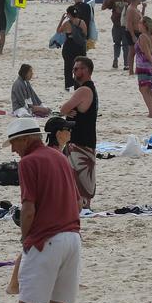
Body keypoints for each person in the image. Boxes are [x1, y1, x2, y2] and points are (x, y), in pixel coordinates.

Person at [6, 116, 82, 303]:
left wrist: (25, 240)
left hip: (46, 240)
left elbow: (28, 208)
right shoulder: (58, 156)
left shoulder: (29, 162)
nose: (14, 150)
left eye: (15, 143)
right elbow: (78, 199)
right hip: (72, 237)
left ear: (26, 139)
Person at [59, 57, 98, 209]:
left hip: (80, 141)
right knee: (82, 177)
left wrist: (68, 110)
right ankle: (83, 205)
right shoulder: (91, 89)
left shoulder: (84, 90)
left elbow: (63, 109)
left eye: (76, 69)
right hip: (86, 139)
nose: (73, 72)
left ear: (86, 70)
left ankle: (81, 206)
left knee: (78, 176)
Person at [57, 6, 88, 92]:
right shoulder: (82, 22)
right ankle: (78, 84)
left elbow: (58, 31)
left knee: (68, 66)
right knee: (79, 66)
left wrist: (61, 20)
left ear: (69, 14)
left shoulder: (67, 23)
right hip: (80, 46)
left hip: (69, 46)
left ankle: (68, 85)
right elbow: (85, 34)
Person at [134, 16, 152, 118]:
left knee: (143, 89)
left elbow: (147, 53)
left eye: (140, 23)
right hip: (151, 66)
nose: (138, 25)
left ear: (144, 25)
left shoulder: (142, 37)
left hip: (143, 66)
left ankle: (151, 112)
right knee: (150, 89)